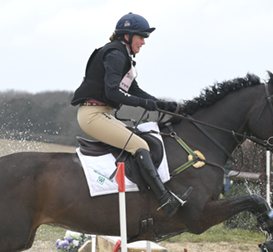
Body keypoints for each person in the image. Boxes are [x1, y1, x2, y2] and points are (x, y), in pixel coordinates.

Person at [71, 12, 191, 216]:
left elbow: (134, 90)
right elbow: (113, 93)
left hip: (103, 114)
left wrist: (161, 104)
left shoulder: (123, 56)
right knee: (140, 145)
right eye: (141, 37)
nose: (144, 42)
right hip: (93, 115)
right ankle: (164, 200)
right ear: (127, 36)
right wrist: (146, 104)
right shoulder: (116, 54)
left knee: (143, 139)